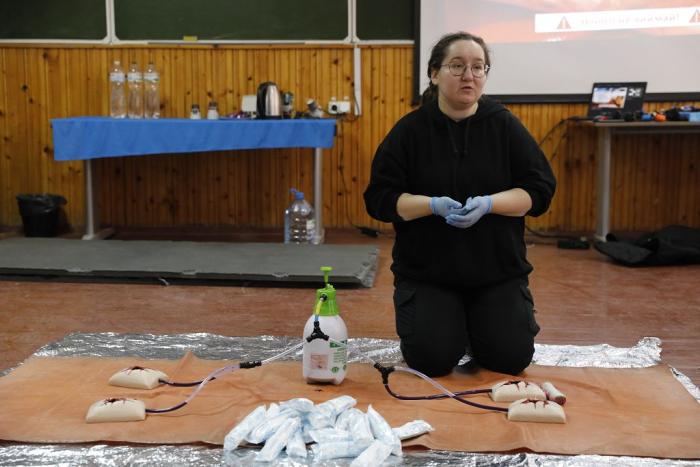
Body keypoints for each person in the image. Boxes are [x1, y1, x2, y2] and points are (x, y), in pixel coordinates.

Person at [363, 32, 556, 377]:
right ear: (434, 74)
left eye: (478, 67)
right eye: (457, 66)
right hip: (428, 273)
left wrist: (490, 204)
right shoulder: (410, 131)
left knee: (509, 359)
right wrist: (431, 205)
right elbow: (380, 199)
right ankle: (452, 323)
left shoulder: (504, 125)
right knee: (432, 360)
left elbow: (539, 191)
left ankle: (474, 323)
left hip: (496, 272)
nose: (469, 75)